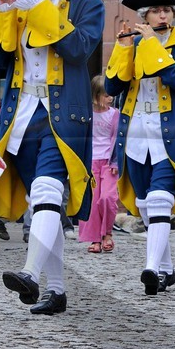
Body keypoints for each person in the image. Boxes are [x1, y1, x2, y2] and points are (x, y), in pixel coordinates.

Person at [0, 0, 103, 317]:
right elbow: (1, 62)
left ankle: (30, 273)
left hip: (64, 116)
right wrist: (4, 14)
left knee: (48, 193)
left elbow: (77, 50)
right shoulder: (23, 1)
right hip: (21, 116)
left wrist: (38, 7)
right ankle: (55, 290)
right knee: (43, 204)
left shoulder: (88, 3)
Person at [106, 0, 175, 297]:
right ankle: (166, 268)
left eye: (167, 11)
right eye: (156, 11)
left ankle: (150, 268)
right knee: (147, 205)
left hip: (170, 135)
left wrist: (149, 46)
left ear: (174, 14)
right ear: (146, 16)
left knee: (162, 200)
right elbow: (111, 88)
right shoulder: (133, 43)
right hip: (134, 134)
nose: (162, 16)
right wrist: (122, 49)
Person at [78, 75, 119, 254]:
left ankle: (107, 233)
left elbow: (118, 140)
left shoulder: (115, 114)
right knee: (93, 201)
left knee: (107, 198)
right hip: (91, 162)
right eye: (106, 95)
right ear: (95, 96)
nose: (110, 98)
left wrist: (116, 161)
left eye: (111, 95)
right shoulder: (86, 114)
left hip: (109, 163)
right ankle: (95, 238)